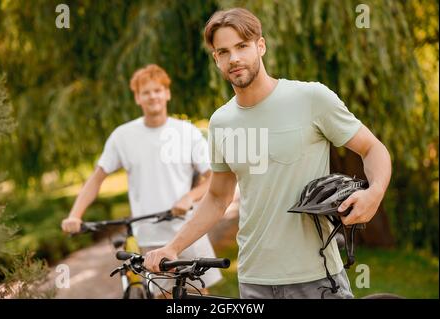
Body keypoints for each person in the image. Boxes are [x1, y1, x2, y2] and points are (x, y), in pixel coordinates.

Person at [144, 8, 392, 299]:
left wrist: (374, 194)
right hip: (254, 280)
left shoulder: (310, 98)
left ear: (260, 46)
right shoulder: (221, 122)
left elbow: (372, 148)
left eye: (242, 46)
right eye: (223, 51)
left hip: (316, 278)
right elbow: (217, 197)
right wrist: (173, 246)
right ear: (216, 59)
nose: (234, 58)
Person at [61, 64, 222, 297]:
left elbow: (212, 179)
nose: (153, 96)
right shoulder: (123, 136)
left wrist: (189, 197)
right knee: (164, 296)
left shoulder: (186, 132)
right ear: (137, 98)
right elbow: (96, 179)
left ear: (167, 93)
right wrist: (75, 215)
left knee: (197, 295)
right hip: (150, 236)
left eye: (158, 90)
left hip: (188, 230)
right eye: (146, 92)